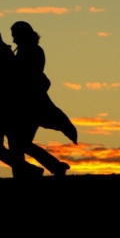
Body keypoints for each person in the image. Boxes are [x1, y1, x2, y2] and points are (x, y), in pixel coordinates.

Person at [0, 23, 45, 178]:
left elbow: (4, 81)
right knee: (9, 146)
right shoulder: (5, 52)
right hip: (6, 107)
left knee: (2, 146)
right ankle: (28, 171)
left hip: (5, 108)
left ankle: (27, 171)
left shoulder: (3, 54)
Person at [10, 21, 74, 176]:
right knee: (20, 142)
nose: (13, 40)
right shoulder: (29, 49)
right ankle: (52, 167)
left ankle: (50, 167)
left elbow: (25, 75)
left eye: (15, 36)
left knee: (20, 142)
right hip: (30, 103)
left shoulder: (31, 51)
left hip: (30, 104)